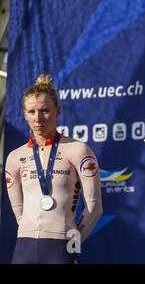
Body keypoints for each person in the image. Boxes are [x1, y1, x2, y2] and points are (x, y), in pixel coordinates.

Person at [4, 75, 103, 264]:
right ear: (24, 114)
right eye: (31, 112)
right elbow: (19, 212)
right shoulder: (14, 157)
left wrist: (73, 242)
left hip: (61, 246)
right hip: (24, 246)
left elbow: (94, 207)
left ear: (57, 112)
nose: (38, 118)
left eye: (44, 111)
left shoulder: (78, 150)